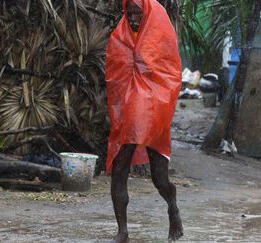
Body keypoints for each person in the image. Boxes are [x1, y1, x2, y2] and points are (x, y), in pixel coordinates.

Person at [105, 0, 183, 242]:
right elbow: (115, 74)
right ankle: (123, 231)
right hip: (128, 113)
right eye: (130, 12)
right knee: (120, 168)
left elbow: (170, 75)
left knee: (160, 178)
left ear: (148, 12)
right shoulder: (120, 37)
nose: (134, 18)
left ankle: (173, 207)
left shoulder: (160, 33)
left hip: (152, 111)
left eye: (138, 13)